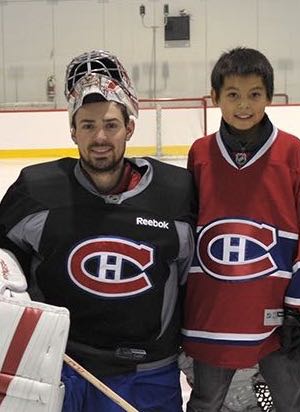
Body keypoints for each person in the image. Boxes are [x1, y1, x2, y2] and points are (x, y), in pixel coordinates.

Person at [0, 49, 197, 411]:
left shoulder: (176, 191)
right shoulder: (36, 190)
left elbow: (196, 276)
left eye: (110, 124)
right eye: (88, 125)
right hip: (59, 369)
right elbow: (4, 253)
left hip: (147, 375)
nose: (100, 137)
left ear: (130, 128)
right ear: (73, 131)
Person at [182, 47, 300, 412]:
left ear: (270, 97)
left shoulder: (291, 152)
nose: (244, 104)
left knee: (292, 400)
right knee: (206, 400)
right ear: (215, 99)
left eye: (254, 94)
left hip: (274, 310)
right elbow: (190, 233)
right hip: (214, 311)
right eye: (233, 95)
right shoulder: (200, 153)